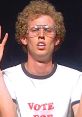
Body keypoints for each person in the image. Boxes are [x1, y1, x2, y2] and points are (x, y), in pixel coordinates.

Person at [0, 0, 82, 117]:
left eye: (48, 30)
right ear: (24, 38)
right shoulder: (7, 78)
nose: (41, 35)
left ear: (57, 39)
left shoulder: (75, 78)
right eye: (35, 30)